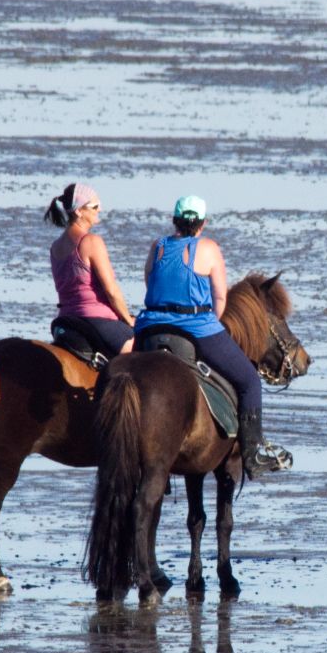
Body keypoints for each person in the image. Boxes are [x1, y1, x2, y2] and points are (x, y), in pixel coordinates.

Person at [133, 195, 289, 474]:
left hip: (150, 327)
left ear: (174, 221)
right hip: (195, 327)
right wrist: (211, 324)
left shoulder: (158, 247)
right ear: (203, 224)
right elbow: (220, 297)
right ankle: (252, 456)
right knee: (250, 380)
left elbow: (149, 282)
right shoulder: (208, 248)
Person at [46, 181, 135, 359]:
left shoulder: (55, 246)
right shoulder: (91, 242)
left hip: (66, 318)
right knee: (143, 352)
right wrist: (128, 319)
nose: (99, 209)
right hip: (95, 319)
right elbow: (111, 291)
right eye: (94, 206)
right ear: (79, 211)